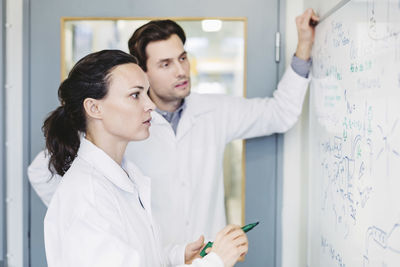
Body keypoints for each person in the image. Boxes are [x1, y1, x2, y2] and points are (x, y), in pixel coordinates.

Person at [29, 9, 318, 265]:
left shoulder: (210, 111)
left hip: (189, 255)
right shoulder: (99, 164)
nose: (181, 71)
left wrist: (304, 45)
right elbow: (47, 177)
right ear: (143, 72)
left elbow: (280, 113)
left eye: (182, 58)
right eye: (165, 64)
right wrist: (96, 216)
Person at [43, 49, 248, 267]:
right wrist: (217, 261)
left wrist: (177, 257)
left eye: (147, 94)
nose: (150, 105)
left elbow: (133, 257)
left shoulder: (126, 174)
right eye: (135, 95)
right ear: (94, 107)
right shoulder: (88, 195)